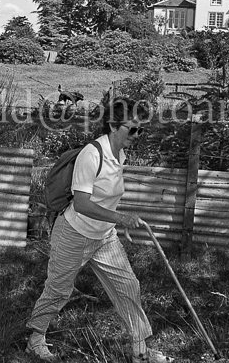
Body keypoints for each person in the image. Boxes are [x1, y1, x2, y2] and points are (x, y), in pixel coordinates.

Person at [26, 97, 174, 363]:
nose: (137, 135)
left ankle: (141, 351)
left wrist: (114, 222)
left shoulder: (120, 154)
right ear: (113, 125)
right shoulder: (92, 154)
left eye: (141, 130)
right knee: (58, 289)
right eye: (132, 129)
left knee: (128, 287)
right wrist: (121, 218)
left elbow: (106, 195)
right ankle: (35, 340)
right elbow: (82, 204)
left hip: (104, 237)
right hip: (73, 232)